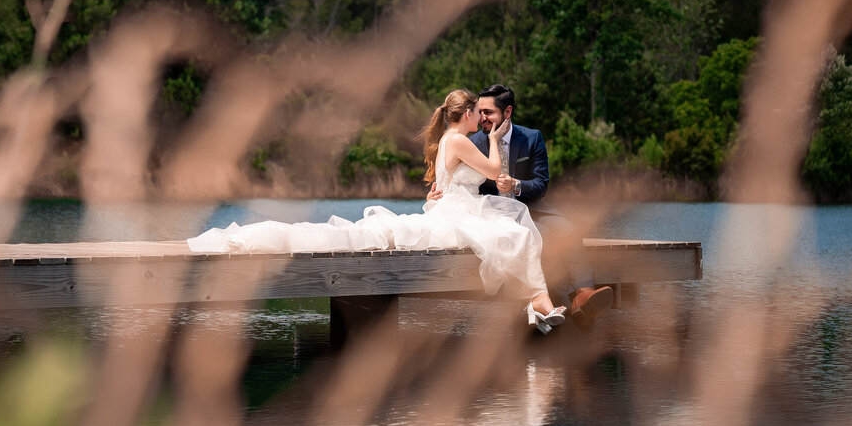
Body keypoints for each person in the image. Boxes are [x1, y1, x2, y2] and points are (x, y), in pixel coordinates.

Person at [188, 88, 568, 332]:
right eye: (477, 114)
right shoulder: (462, 140)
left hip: (459, 207)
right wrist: (492, 138)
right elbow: (494, 171)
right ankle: (539, 304)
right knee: (514, 232)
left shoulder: (450, 141)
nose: (481, 120)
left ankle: (539, 304)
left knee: (512, 232)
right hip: (459, 213)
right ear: (467, 113)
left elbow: (458, 181)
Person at [465, 84, 614, 329]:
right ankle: (573, 302)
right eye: (480, 112)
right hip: (494, 214)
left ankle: (584, 292)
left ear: (508, 112)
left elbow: (541, 184)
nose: (482, 118)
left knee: (567, 230)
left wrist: (516, 184)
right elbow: (468, 185)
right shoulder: (474, 143)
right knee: (540, 240)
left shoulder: (531, 137)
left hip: (532, 207)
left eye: (488, 112)